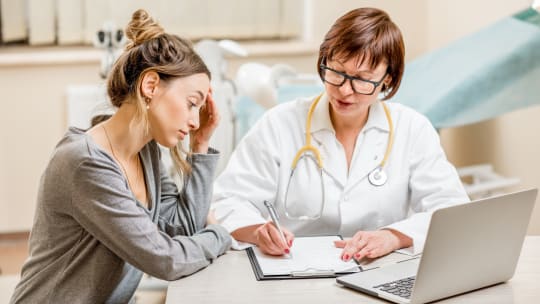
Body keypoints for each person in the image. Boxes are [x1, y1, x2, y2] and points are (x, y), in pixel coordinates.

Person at [211, 7, 469, 261]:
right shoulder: (279, 124)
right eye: (336, 72)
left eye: (362, 79)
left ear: (387, 79)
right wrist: (258, 232)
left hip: (377, 269)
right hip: (294, 271)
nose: (345, 90)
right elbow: (227, 200)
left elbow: (452, 210)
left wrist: (394, 236)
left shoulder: (412, 129)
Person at [10, 9, 231, 304]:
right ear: (150, 86)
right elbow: (165, 260)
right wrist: (220, 234)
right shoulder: (84, 163)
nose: (194, 120)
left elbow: (182, 228)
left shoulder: (146, 152)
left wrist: (201, 144)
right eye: (192, 103)